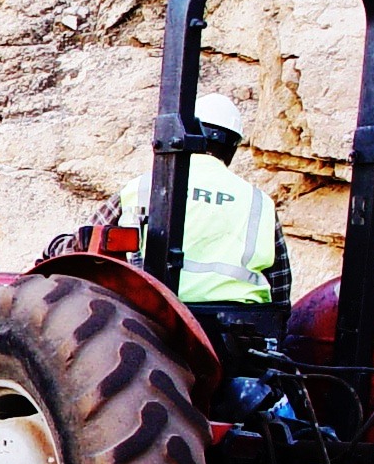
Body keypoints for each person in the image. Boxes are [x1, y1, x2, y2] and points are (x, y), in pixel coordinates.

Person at [109, 92, 290, 306]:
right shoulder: (259, 202)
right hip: (237, 325)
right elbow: (281, 282)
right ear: (233, 146)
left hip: (151, 312)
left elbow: (86, 242)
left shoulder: (143, 186)